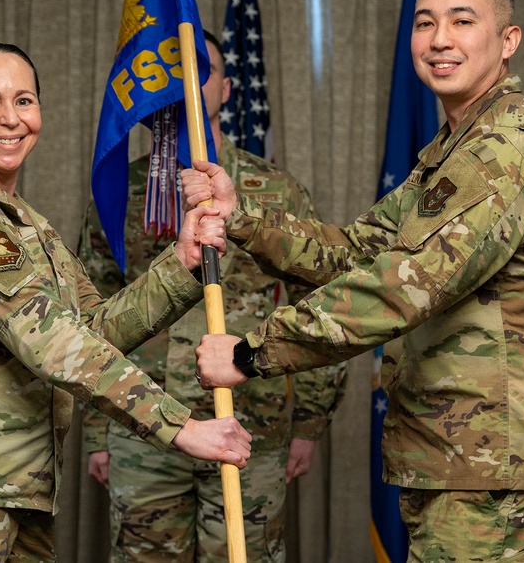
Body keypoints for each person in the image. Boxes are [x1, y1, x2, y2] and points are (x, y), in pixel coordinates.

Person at [185, 0, 524, 562]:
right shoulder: (453, 151)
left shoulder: (505, 154)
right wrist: (240, 218)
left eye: (461, 21)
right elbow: (357, 253)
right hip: (463, 460)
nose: (439, 40)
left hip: (500, 473)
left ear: (508, 40)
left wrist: (252, 352)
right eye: (425, 23)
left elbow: (402, 287)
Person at [0, 42, 252, 563]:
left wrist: (182, 260)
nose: (10, 119)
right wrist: (181, 428)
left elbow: (95, 330)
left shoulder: (29, 227)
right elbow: (53, 344)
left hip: (15, 495)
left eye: (24, 101)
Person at [78, 31, 348, 562]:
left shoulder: (278, 192)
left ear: (226, 88)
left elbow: (321, 304)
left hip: (253, 425)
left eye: (202, 71)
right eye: (173, 73)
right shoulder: (120, 195)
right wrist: (96, 429)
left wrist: (309, 424)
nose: (189, 85)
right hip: (144, 427)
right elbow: (91, 319)